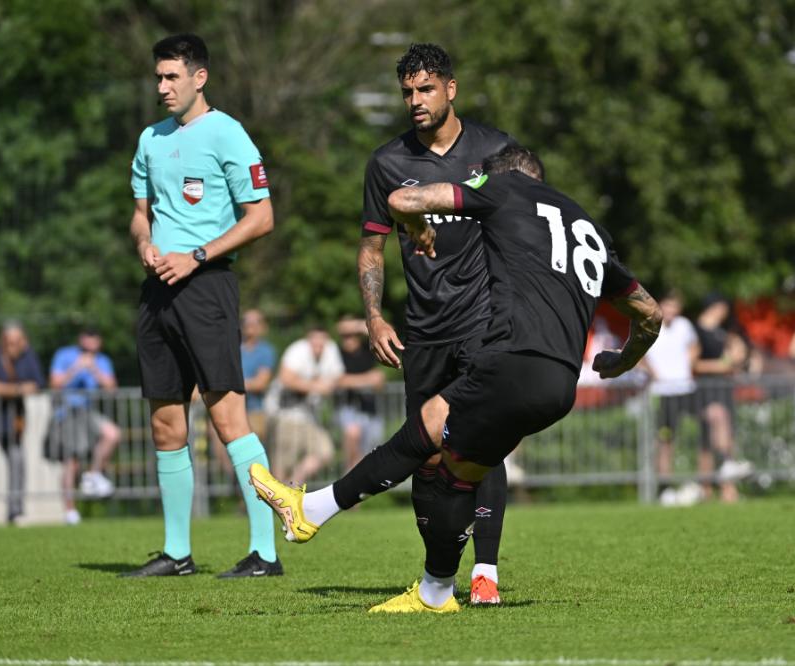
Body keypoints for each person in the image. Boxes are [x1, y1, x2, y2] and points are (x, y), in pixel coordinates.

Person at [251, 146, 662, 613]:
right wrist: (623, 361)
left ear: (506, 176)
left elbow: (402, 201)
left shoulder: (504, 186)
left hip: (512, 359)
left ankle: (312, 510)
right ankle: (437, 592)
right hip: (559, 385)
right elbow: (650, 312)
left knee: (426, 429)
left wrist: (416, 224)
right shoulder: (586, 224)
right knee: (461, 472)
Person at [356, 43, 518, 604]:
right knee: (425, 456)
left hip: (484, 322)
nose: (415, 101)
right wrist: (374, 317)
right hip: (422, 332)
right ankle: (437, 580)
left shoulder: (496, 151)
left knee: (482, 444)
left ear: (451, 88)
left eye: (425, 89)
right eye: (407, 92)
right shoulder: (387, 163)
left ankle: (486, 574)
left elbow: (526, 227)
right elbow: (372, 249)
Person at [127, 33, 279, 578]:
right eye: (158, 78)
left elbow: (261, 218)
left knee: (226, 417)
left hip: (207, 286)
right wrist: (144, 243)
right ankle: (177, 553)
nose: (163, 87)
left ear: (199, 77)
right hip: (157, 292)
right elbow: (141, 212)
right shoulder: (150, 138)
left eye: (172, 77)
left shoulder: (228, 133)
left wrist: (196, 255)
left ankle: (265, 551)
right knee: (166, 423)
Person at [0, 321, 44, 526]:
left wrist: (5, 390)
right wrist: (18, 390)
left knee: (17, 462)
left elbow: (37, 385)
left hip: (11, 423)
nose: (13, 346)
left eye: (17, 341)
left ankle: (15, 511)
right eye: (9, 342)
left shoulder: (28, 356)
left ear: (24, 342)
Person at [48, 327, 122, 525]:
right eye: (88, 336)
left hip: (87, 412)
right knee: (72, 462)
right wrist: (76, 368)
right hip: (66, 413)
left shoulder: (102, 360)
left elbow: (111, 389)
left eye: (95, 336)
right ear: (81, 338)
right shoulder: (64, 355)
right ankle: (70, 511)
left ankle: (93, 474)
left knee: (112, 434)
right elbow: (54, 384)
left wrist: (94, 369)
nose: (91, 340)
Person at [641, 291, 702, 506]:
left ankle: (705, 484)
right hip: (663, 392)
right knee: (666, 440)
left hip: (686, 388)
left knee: (702, 434)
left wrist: (689, 364)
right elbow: (639, 355)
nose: (672, 311)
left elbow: (695, 347)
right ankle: (665, 488)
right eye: (668, 306)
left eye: (675, 307)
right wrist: (654, 374)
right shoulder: (649, 325)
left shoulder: (685, 326)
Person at [693, 294, 753, 501]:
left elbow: (736, 357)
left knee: (725, 433)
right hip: (705, 388)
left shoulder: (723, 333)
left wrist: (738, 355)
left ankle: (728, 488)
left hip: (724, 388)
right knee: (709, 436)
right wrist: (721, 366)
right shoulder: (697, 331)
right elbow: (693, 364)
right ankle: (708, 486)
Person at [272, 326, 344, 484]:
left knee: (325, 452)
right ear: (308, 340)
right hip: (286, 413)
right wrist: (316, 386)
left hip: (310, 416)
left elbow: (338, 378)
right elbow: (286, 378)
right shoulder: (297, 350)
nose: (318, 346)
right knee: (284, 461)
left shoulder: (331, 349)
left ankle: (291, 486)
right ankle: (275, 500)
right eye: (314, 342)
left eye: (321, 342)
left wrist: (320, 385)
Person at [334, 317, 385, 470]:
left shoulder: (368, 350)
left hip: (369, 410)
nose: (349, 339)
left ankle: (357, 481)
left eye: (353, 335)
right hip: (347, 408)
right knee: (352, 434)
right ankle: (349, 477)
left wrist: (352, 381)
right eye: (346, 336)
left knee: (370, 450)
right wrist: (366, 379)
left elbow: (379, 380)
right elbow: (339, 381)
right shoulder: (336, 353)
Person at [240, 309, 275, 444]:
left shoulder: (266, 351)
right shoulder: (233, 347)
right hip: (230, 407)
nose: (250, 324)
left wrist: (230, 384)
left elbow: (260, 383)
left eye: (255, 322)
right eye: (246, 321)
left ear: (262, 327)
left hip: (255, 409)